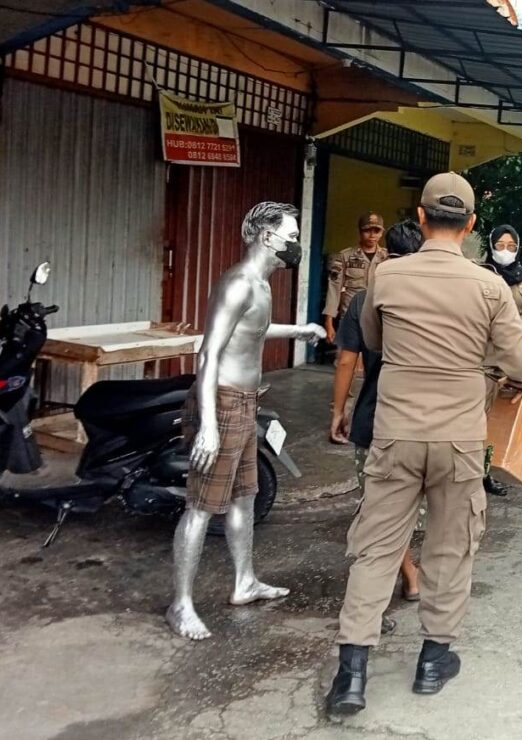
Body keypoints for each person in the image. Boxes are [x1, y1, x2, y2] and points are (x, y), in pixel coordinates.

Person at [325, 173, 522, 714]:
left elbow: (373, 341)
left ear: (420, 218)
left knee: (376, 549)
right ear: (471, 225)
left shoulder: (387, 276)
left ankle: (351, 675)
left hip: (395, 432)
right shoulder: (490, 287)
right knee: (450, 546)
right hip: (459, 439)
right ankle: (431, 662)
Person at [166, 202, 326, 641]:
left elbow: (253, 329)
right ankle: (181, 605)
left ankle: (244, 582)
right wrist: (209, 426)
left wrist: (299, 330)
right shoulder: (239, 283)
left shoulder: (261, 284)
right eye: (292, 237)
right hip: (222, 402)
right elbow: (208, 354)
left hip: (245, 403)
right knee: (201, 507)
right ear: (267, 237)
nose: (295, 245)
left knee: (244, 498)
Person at [330, 220, 425, 616]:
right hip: (423, 421)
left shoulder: (365, 300)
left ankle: (401, 577)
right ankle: (414, 574)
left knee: (380, 506)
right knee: (412, 505)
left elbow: (346, 361)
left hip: (374, 418)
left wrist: (338, 411)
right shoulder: (434, 300)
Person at [481, 224, 522, 496]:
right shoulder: (481, 273)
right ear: (491, 245)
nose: (505, 251)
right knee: (479, 420)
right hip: (484, 362)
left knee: (503, 422)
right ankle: (475, 474)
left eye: (511, 246)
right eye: (500, 245)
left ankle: (490, 472)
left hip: (515, 362)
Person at [323, 212, 388, 343]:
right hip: (350, 317)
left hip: (378, 319)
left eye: (376, 231)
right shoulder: (345, 256)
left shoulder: (388, 257)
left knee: (374, 355)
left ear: (382, 233)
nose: (372, 235)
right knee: (347, 354)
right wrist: (328, 322)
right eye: (367, 230)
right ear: (360, 231)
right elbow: (334, 289)